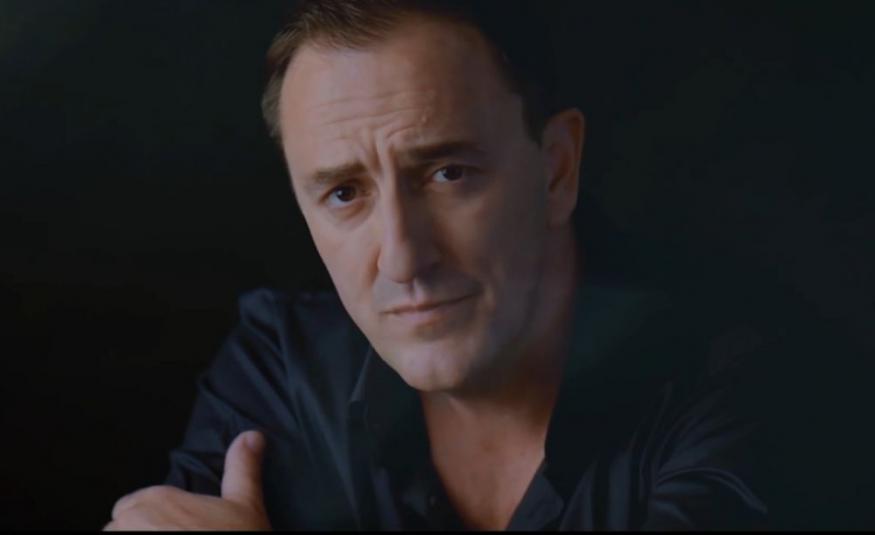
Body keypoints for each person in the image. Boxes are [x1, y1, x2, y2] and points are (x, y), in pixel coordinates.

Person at [104, 1, 767, 530]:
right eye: (344, 193)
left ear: (556, 169)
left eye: (449, 173)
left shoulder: (740, 381)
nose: (402, 257)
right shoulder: (280, 369)